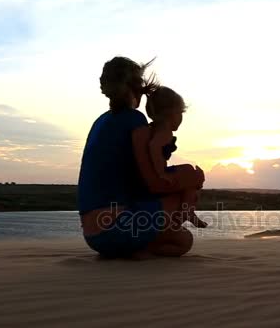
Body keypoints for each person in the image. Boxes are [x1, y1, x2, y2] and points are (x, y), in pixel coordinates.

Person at [78, 56, 205, 259]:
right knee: (190, 182)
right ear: (136, 87)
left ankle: (137, 249)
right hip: (116, 227)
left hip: (93, 236)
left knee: (182, 240)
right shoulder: (135, 121)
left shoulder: (100, 121)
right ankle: (134, 246)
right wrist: (194, 179)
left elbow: (133, 181)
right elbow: (154, 184)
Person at [145, 86, 208, 228]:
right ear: (171, 114)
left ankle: (188, 210)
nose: (181, 117)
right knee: (194, 175)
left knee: (190, 176)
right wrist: (161, 172)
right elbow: (154, 147)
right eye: (180, 113)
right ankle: (188, 211)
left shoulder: (154, 128)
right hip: (159, 173)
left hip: (159, 172)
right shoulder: (164, 132)